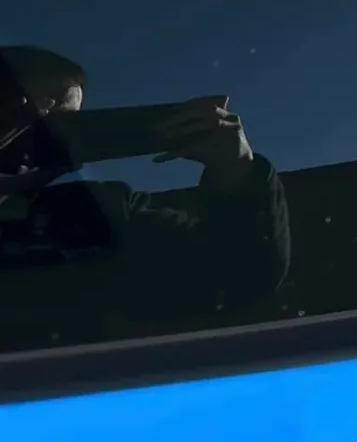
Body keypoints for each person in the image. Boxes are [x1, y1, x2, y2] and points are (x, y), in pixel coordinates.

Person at [0, 45, 290, 355]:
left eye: (65, 123)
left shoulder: (94, 217)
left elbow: (240, 275)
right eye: (22, 110)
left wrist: (236, 170)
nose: (40, 132)